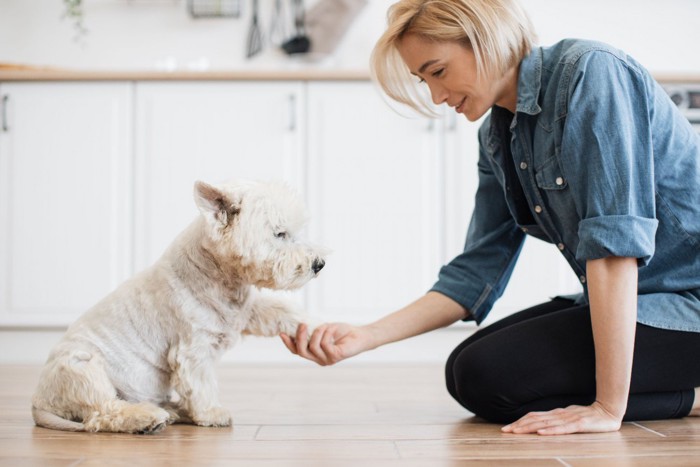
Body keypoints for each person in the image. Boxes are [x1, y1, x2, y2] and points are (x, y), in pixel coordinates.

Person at [280, 0, 700, 435]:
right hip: (640, 303)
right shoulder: (498, 134)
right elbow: (475, 272)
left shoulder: (591, 73)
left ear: (485, 37)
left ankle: (688, 399)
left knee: (492, 373)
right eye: (423, 81)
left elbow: (614, 248)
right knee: (466, 372)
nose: (437, 97)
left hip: (688, 305)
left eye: (438, 72)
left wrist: (607, 409)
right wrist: (365, 336)